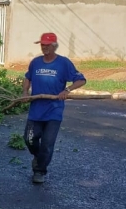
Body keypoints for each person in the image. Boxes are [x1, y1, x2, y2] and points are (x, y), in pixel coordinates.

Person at [22, 32, 86, 184]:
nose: (44, 47)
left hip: (54, 111)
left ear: (54, 46)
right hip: (36, 109)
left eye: (47, 45)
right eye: (42, 44)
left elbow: (81, 80)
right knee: (29, 139)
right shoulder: (36, 62)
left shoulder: (64, 63)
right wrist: (25, 92)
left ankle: (39, 171)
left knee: (47, 144)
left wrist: (67, 90)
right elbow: (27, 77)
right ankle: (38, 157)